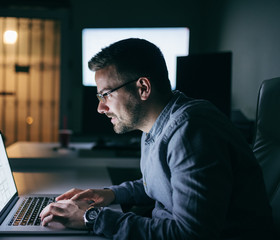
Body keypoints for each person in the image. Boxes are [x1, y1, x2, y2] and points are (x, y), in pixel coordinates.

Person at [40, 38, 275, 239]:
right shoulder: (154, 125)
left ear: (143, 88)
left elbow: (190, 234)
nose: (100, 108)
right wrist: (110, 194)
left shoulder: (191, 130)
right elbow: (161, 185)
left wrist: (93, 217)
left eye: (106, 94)